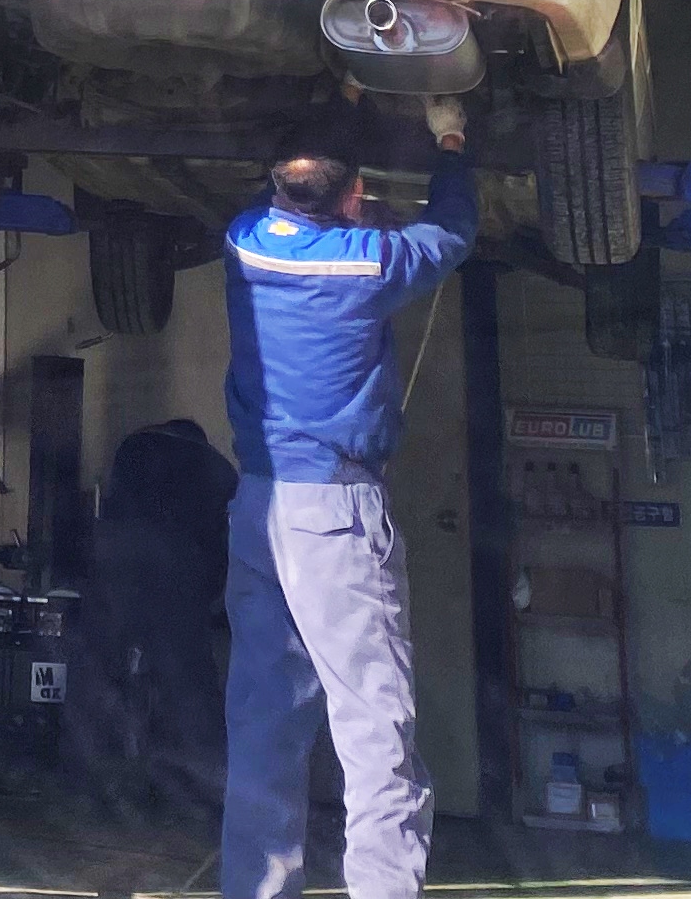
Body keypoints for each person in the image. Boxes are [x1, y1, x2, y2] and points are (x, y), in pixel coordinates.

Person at [218, 98, 476, 899]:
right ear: (355, 195)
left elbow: (297, 213)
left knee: (265, 720)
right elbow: (451, 232)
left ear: (279, 189)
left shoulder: (245, 241)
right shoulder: (369, 264)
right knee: (373, 727)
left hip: (258, 508)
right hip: (332, 519)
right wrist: (450, 140)